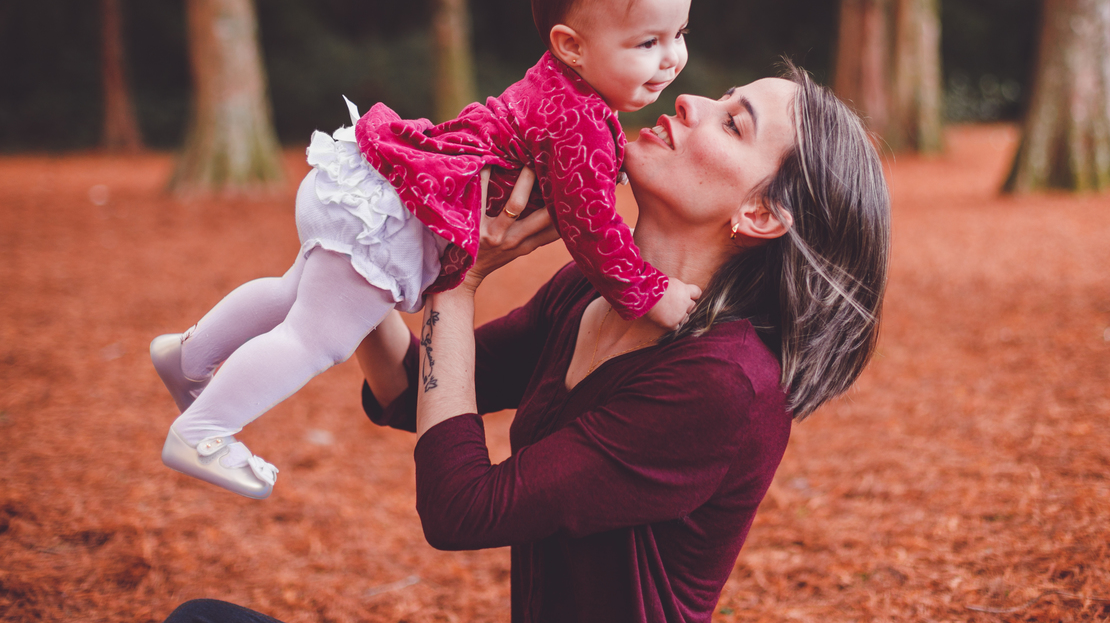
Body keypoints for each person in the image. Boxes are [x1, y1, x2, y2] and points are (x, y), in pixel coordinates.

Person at [164, 66, 890, 623]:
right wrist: (368, 248)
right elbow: (408, 391)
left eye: (733, 123)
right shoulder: (588, 291)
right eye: (719, 95)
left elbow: (461, 509)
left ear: (761, 213)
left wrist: (457, 273)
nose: (689, 102)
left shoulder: (724, 386)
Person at [148, 0, 699, 500]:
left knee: (291, 294)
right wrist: (652, 292)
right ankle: (204, 431)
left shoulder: (561, 83)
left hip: (369, 190)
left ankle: (187, 357)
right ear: (571, 45)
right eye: (648, 42)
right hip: (391, 225)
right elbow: (593, 228)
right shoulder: (578, 121)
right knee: (316, 339)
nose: (672, 59)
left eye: (680, 35)